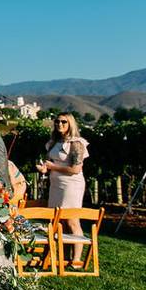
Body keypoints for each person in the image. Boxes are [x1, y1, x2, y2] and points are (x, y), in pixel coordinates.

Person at [37, 113, 90, 266]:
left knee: (72, 220)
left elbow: (75, 169)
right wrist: (45, 169)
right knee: (59, 220)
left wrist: (53, 167)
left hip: (71, 185)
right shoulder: (54, 142)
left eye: (64, 122)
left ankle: (76, 259)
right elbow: (50, 162)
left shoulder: (77, 143)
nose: (60, 124)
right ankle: (64, 256)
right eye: (57, 121)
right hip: (56, 185)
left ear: (70, 124)